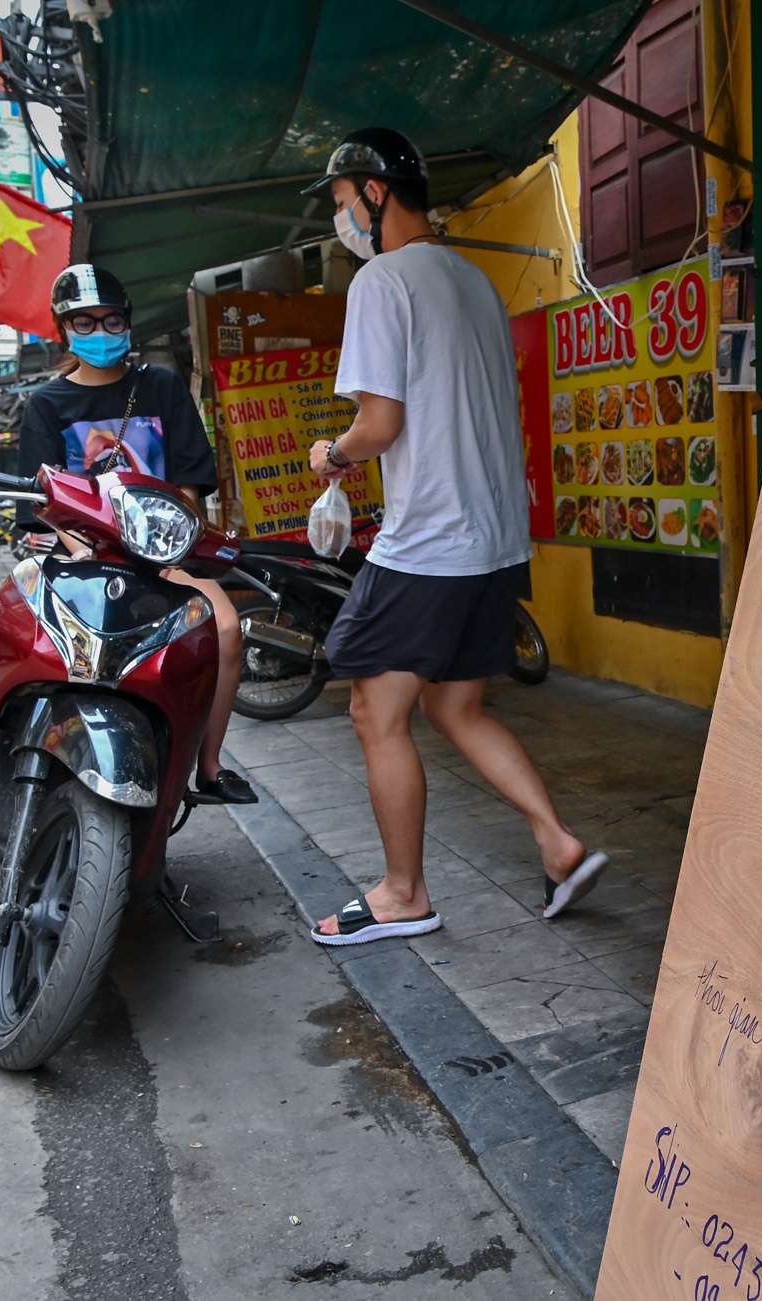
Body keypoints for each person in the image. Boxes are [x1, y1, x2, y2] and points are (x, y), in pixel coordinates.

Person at [299, 127, 607, 945]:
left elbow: (382, 421)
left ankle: (403, 892)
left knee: (373, 708)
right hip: (498, 537)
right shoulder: (474, 282)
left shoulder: (382, 282)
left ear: (374, 192)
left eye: (340, 203)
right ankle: (558, 839)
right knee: (455, 703)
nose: (341, 222)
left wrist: (333, 451)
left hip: (429, 539)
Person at [0, 264, 254, 861]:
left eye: (110, 319)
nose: (101, 330)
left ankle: (207, 766)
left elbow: (189, 487)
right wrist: (82, 545)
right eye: (85, 322)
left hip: (162, 552)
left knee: (227, 631)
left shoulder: (160, 386)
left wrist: (169, 545)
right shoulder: (47, 403)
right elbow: (42, 504)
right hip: (74, 553)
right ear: (65, 331)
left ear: (126, 322)